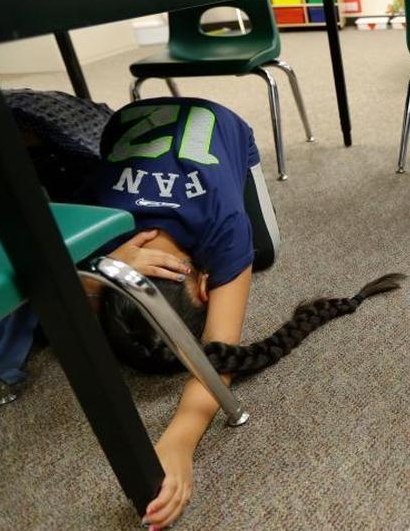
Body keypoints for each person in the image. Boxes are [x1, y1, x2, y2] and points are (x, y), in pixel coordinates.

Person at [82, 96, 279, 529]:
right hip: (125, 120)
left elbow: (218, 351)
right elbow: (219, 352)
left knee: (262, 251)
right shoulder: (94, 237)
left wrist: (182, 438)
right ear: (204, 285)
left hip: (225, 122)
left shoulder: (224, 226)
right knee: (250, 257)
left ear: (204, 285)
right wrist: (100, 272)